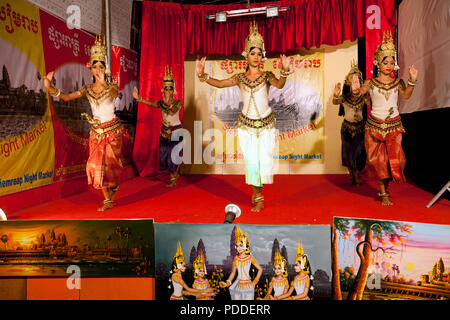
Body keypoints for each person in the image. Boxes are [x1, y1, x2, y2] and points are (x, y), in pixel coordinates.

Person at [196, 21, 291, 212]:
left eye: (258, 53)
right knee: (252, 162)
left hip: (266, 125)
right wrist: (203, 75)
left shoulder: (267, 75)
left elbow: (280, 84)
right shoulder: (240, 78)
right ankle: (258, 196)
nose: (255, 57)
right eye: (252, 53)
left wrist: (285, 70)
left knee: (263, 161)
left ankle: (258, 193)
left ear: (262, 56)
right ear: (246, 55)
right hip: (246, 126)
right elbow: (221, 83)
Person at [43, 34, 123, 211]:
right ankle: (108, 200)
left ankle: (114, 187)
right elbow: (66, 97)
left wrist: (105, 84)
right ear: (91, 69)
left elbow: (115, 95)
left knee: (110, 167)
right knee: (94, 165)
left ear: (105, 68)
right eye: (95, 67)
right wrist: (50, 88)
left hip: (112, 132)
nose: (98, 70)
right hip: (95, 132)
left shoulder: (112, 86)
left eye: (101, 66)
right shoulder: (87, 89)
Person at [358, 30, 418, 205]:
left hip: (394, 125)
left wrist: (413, 80)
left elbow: (406, 95)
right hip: (374, 126)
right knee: (379, 162)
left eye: (392, 62)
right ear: (377, 62)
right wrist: (355, 89)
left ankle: (387, 186)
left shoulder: (398, 82)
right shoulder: (370, 82)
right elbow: (359, 94)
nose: (390, 65)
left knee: (398, 160)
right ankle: (383, 193)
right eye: (386, 62)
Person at [133, 67, 182, 187]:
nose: (168, 91)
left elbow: (171, 111)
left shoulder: (177, 103)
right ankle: (173, 175)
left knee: (172, 156)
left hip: (176, 131)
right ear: (163, 90)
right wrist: (139, 99)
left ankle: (173, 178)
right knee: (164, 155)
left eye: (170, 89)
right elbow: (150, 103)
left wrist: (165, 103)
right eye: (166, 89)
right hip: (165, 132)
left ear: (173, 90)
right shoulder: (160, 103)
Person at [333, 61, 369, 186]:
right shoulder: (345, 97)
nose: (356, 85)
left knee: (357, 152)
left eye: (358, 82)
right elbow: (335, 101)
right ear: (349, 83)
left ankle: (357, 173)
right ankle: (352, 174)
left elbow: (371, 103)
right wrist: (336, 94)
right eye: (353, 82)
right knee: (347, 153)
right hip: (346, 129)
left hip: (359, 129)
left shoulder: (363, 97)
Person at [219, 225, 263, 300]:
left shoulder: (250, 258)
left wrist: (254, 282)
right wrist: (227, 283)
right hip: (238, 285)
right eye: (237, 246)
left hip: (248, 285)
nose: (239, 248)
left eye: (241, 245)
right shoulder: (236, 259)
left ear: (245, 246)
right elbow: (233, 273)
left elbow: (260, 269)